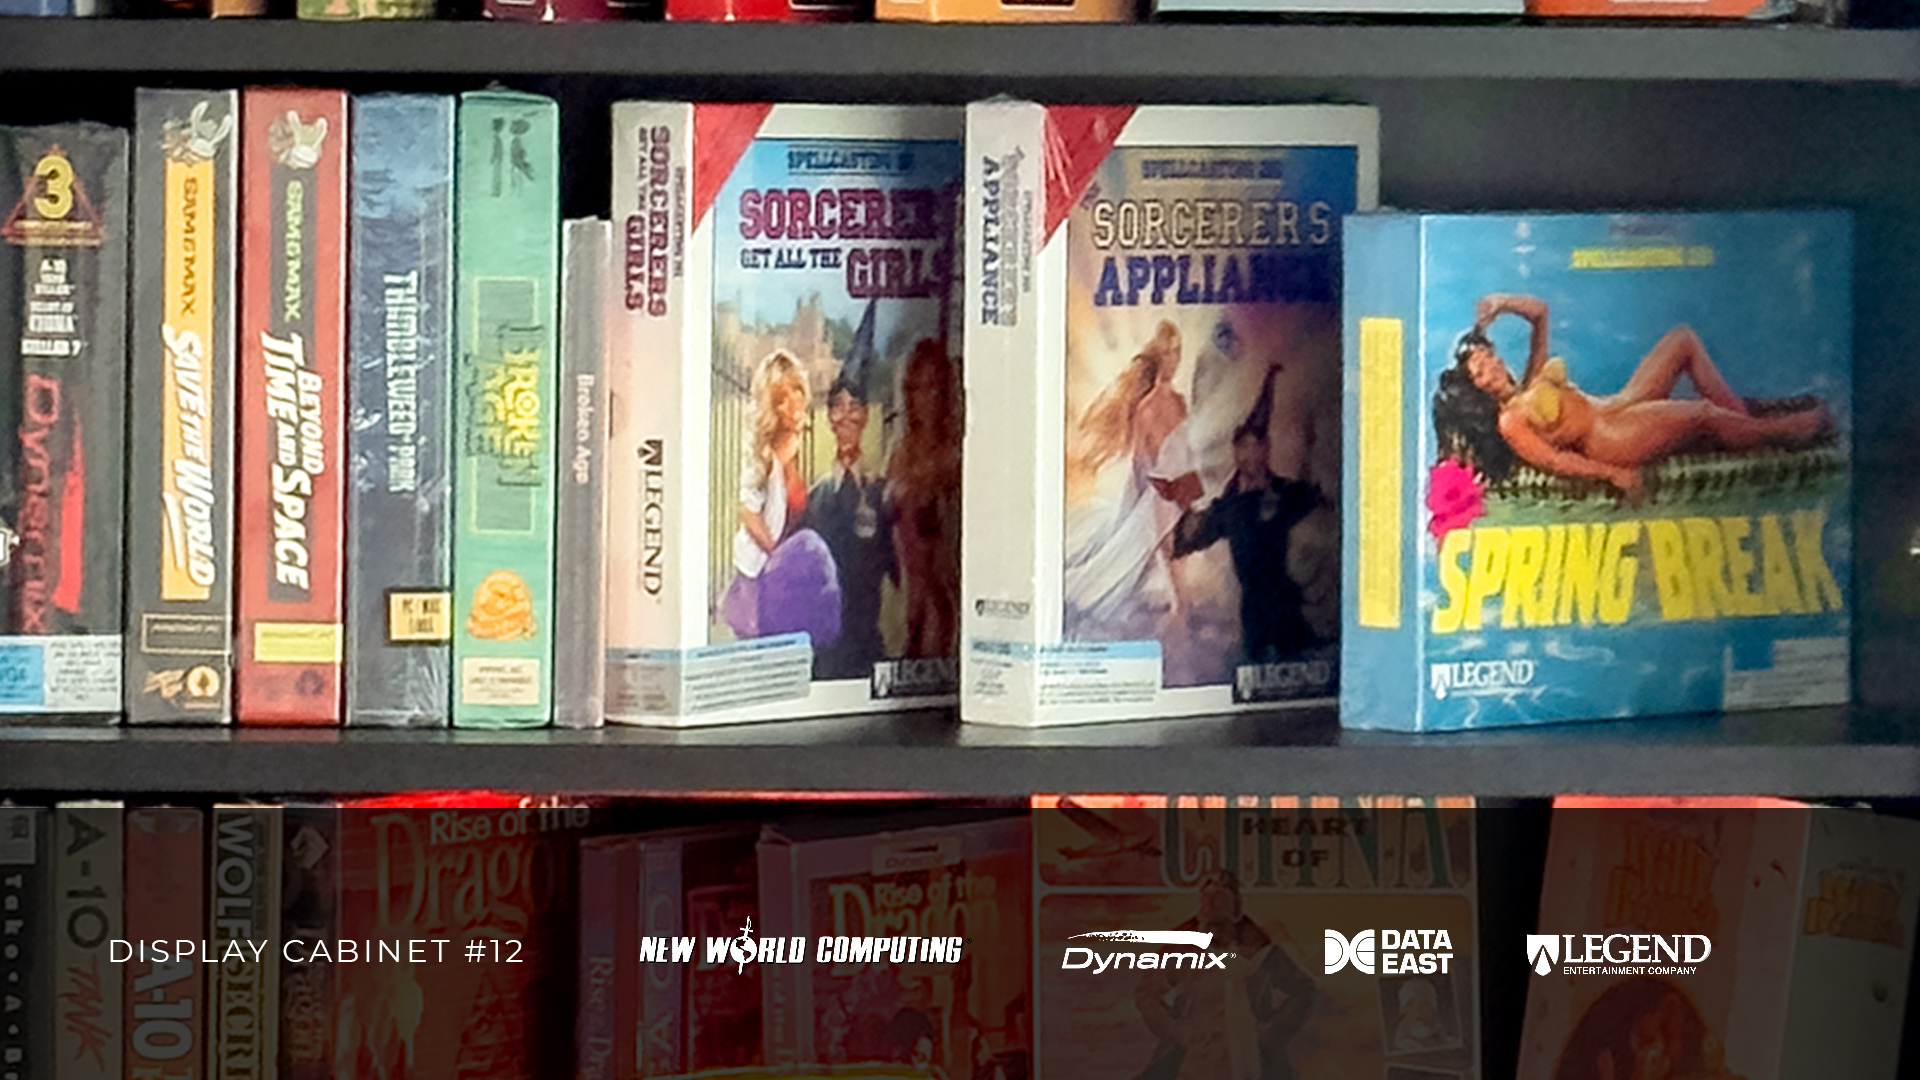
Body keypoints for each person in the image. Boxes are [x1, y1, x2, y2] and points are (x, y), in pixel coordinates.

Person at [1436, 293, 1832, 498]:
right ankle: (1786, 430)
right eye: (1478, 371)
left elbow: (1540, 313)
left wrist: (1502, 303)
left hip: (1618, 404)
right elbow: (1555, 461)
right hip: (1609, 439)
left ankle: (1746, 427)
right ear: (1477, 388)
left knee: (1682, 340)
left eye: (1487, 357)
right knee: (1701, 413)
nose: (1489, 367)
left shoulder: (1531, 378)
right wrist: (1613, 474)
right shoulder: (1510, 420)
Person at [1166, 370, 1324, 665]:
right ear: (1236, 453)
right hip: (1254, 614)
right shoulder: (1230, 506)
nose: (1248, 455)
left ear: (1265, 450)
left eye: (1255, 447)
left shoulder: (1284, 493)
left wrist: (1310, 449)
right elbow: (1191, 537)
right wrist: (1183, 509)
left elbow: (1313, 501)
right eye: (1242, 448)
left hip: (1286, 608)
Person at [1063, 321, 1195, 651]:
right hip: (1157, 491)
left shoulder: (1179, 403)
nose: (1174, 358)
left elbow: (1184, 449)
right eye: (1169, 351)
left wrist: (1188, 486)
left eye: (1177, 351)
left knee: (1178, 547)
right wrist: (1143, 495)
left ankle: (1178, 609)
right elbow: (1140, 457)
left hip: (1180, 485)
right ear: (1159, 355)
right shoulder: (1147, 408)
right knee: (1165, 548)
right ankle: (1177, 610)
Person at [1132, 871, 1317, 1080]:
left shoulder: (1260, 949)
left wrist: (1271, 1031)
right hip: (1195, 1061)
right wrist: (1177, 1031)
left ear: (1235, 913)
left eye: (1221, 923)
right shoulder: (1181, 947)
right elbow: (1146, 993)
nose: (1215, 931)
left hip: (1250, 1059)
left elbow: (1304, 990)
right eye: (1209, 912)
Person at [720, 349, 840, 648]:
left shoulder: (794, 448)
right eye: (781, 399)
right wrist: (779, 557)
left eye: (796, 391)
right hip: (764, 576)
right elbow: (748, 514)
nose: (793, 404)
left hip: (787, 577)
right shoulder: (763, 457)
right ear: (771, 407)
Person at [804, 303, 895, 680]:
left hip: (865, 640)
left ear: (866, 415)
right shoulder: (816, 495)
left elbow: (895, 565)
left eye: (854, 406)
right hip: (824, 648)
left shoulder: (879, 493)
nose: (845, 416)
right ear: (828, 416)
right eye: (837, 407)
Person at [888, 338, 962, 660]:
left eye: (932, 386)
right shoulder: (900, 454)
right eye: (917, 387)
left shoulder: (954, 457)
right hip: (902, 589)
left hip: (940, 594)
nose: (925, 397)